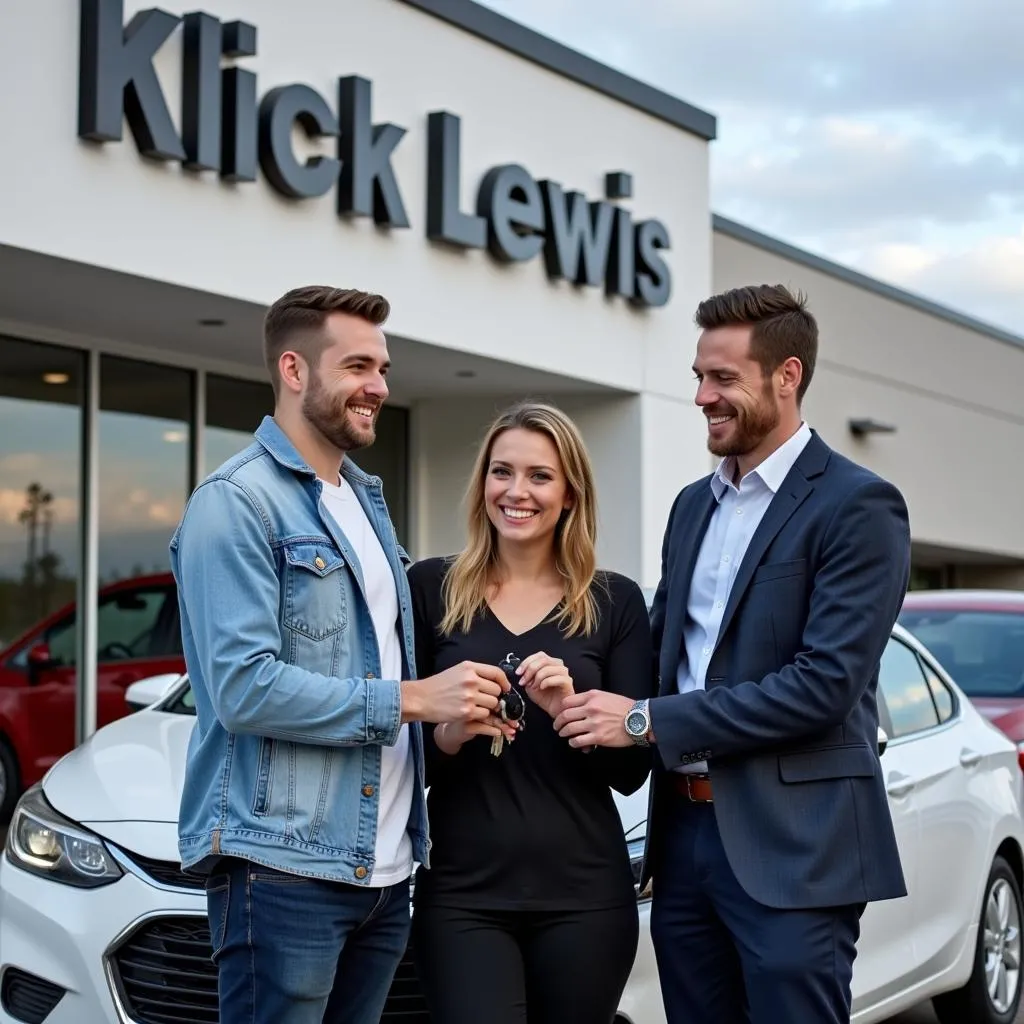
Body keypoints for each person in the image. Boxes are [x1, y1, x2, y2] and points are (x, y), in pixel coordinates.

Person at [554, 284, 911, 1024]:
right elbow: (663, 657)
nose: (701, 397)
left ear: (787, 376)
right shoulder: (693, 505)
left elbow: (823, 685)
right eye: (697, 377)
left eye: (722, 379)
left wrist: (645, 720)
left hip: (795, 849)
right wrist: (571, 683)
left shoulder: (857, 506)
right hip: (683, 842)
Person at [169, 285, 510, 1024]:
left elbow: (376, 659)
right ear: (294, 371)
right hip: (285, 868)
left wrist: (454, 715)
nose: (379, 387)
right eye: (357, 365)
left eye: (382, 367)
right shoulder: (236, 503)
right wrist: (416, 700)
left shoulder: (363, 502)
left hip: (384, 870)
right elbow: (242, 689)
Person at [406, 401, 656, 1024]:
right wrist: (449, 733)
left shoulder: (615, 602)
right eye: (501, 472)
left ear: (570, 494)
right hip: (462, 895)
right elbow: (394, 755)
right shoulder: (429, 589)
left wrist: (573, 713)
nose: (516, 492)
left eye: (540, 476)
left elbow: (630, 774)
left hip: (586, 899)